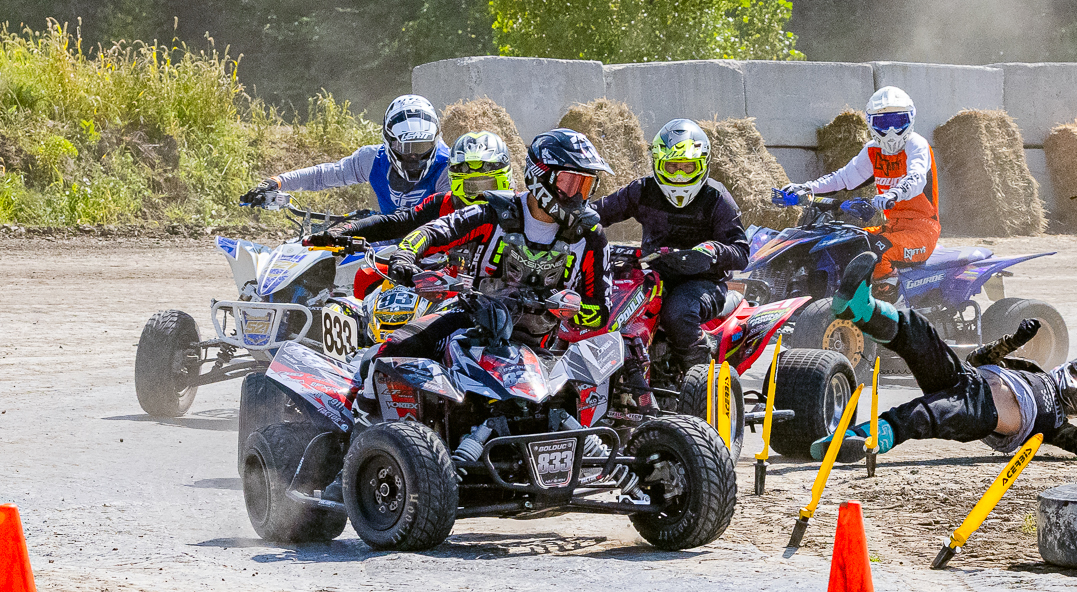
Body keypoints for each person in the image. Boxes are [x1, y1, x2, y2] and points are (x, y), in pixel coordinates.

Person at [805, 253, 1077, 462]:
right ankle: (859, 308)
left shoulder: (1057, 425)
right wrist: (1015, 339)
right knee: (919, 331)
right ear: (1075, 369)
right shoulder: (1032, 370)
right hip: (964, 378)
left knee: (918, 416)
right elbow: (982, 356)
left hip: (979, 414)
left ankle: (853, 442)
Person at [378, 128, 613, 349]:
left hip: (540, 351)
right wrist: (404, 255)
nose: (578, 197)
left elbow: (601, 314)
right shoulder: (494, 213)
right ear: (540, 176)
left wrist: (569, 305)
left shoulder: (591, 236)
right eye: (570, 184)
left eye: (585, 186)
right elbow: (433, 231)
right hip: (468, 328)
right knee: (392, 348)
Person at [590, 119, 749, 380]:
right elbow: (597, 213)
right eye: (672, 166)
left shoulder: (717, 197)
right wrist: (570, 217)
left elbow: (741, 253)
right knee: (604, 305)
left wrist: (712, 251)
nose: (679, 175)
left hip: (703, 282)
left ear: (703, 164)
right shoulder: (642, 190)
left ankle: (700, 379)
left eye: (688, 166)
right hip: (652, 276)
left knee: (678, 313)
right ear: (657, 163)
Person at [305, 130, 517, 298]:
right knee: (366, 276)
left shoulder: (522, 211)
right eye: (471, 186)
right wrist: (344, 230)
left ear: (505, 179)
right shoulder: (441, 203)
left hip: (503, 298)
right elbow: (397, 222)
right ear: (455, 181)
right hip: (442, 286)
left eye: (487, 184)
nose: (480, 194)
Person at [776, 86, 938, 289]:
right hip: (891, 227)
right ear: (870, 123)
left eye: (898, 122)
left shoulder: (916, 144)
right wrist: (807, 188)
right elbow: (842, 178)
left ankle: (886, 294)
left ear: (911, 118)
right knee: (844, 242)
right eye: (883, 123)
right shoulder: (872, 150)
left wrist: (894, 193)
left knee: (877, 252)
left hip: (922, 230)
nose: (890, 131)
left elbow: (916, 178)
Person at [243, 95, 451, 214]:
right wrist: (278, 182)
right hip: (387, 244)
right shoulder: (372, 159)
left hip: (434, 253)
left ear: (435, 140)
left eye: (421, 146)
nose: (414, 156)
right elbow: (323, 175)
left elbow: (452, 222)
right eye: (406, 148)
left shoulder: (449, 167)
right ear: (388, 141)